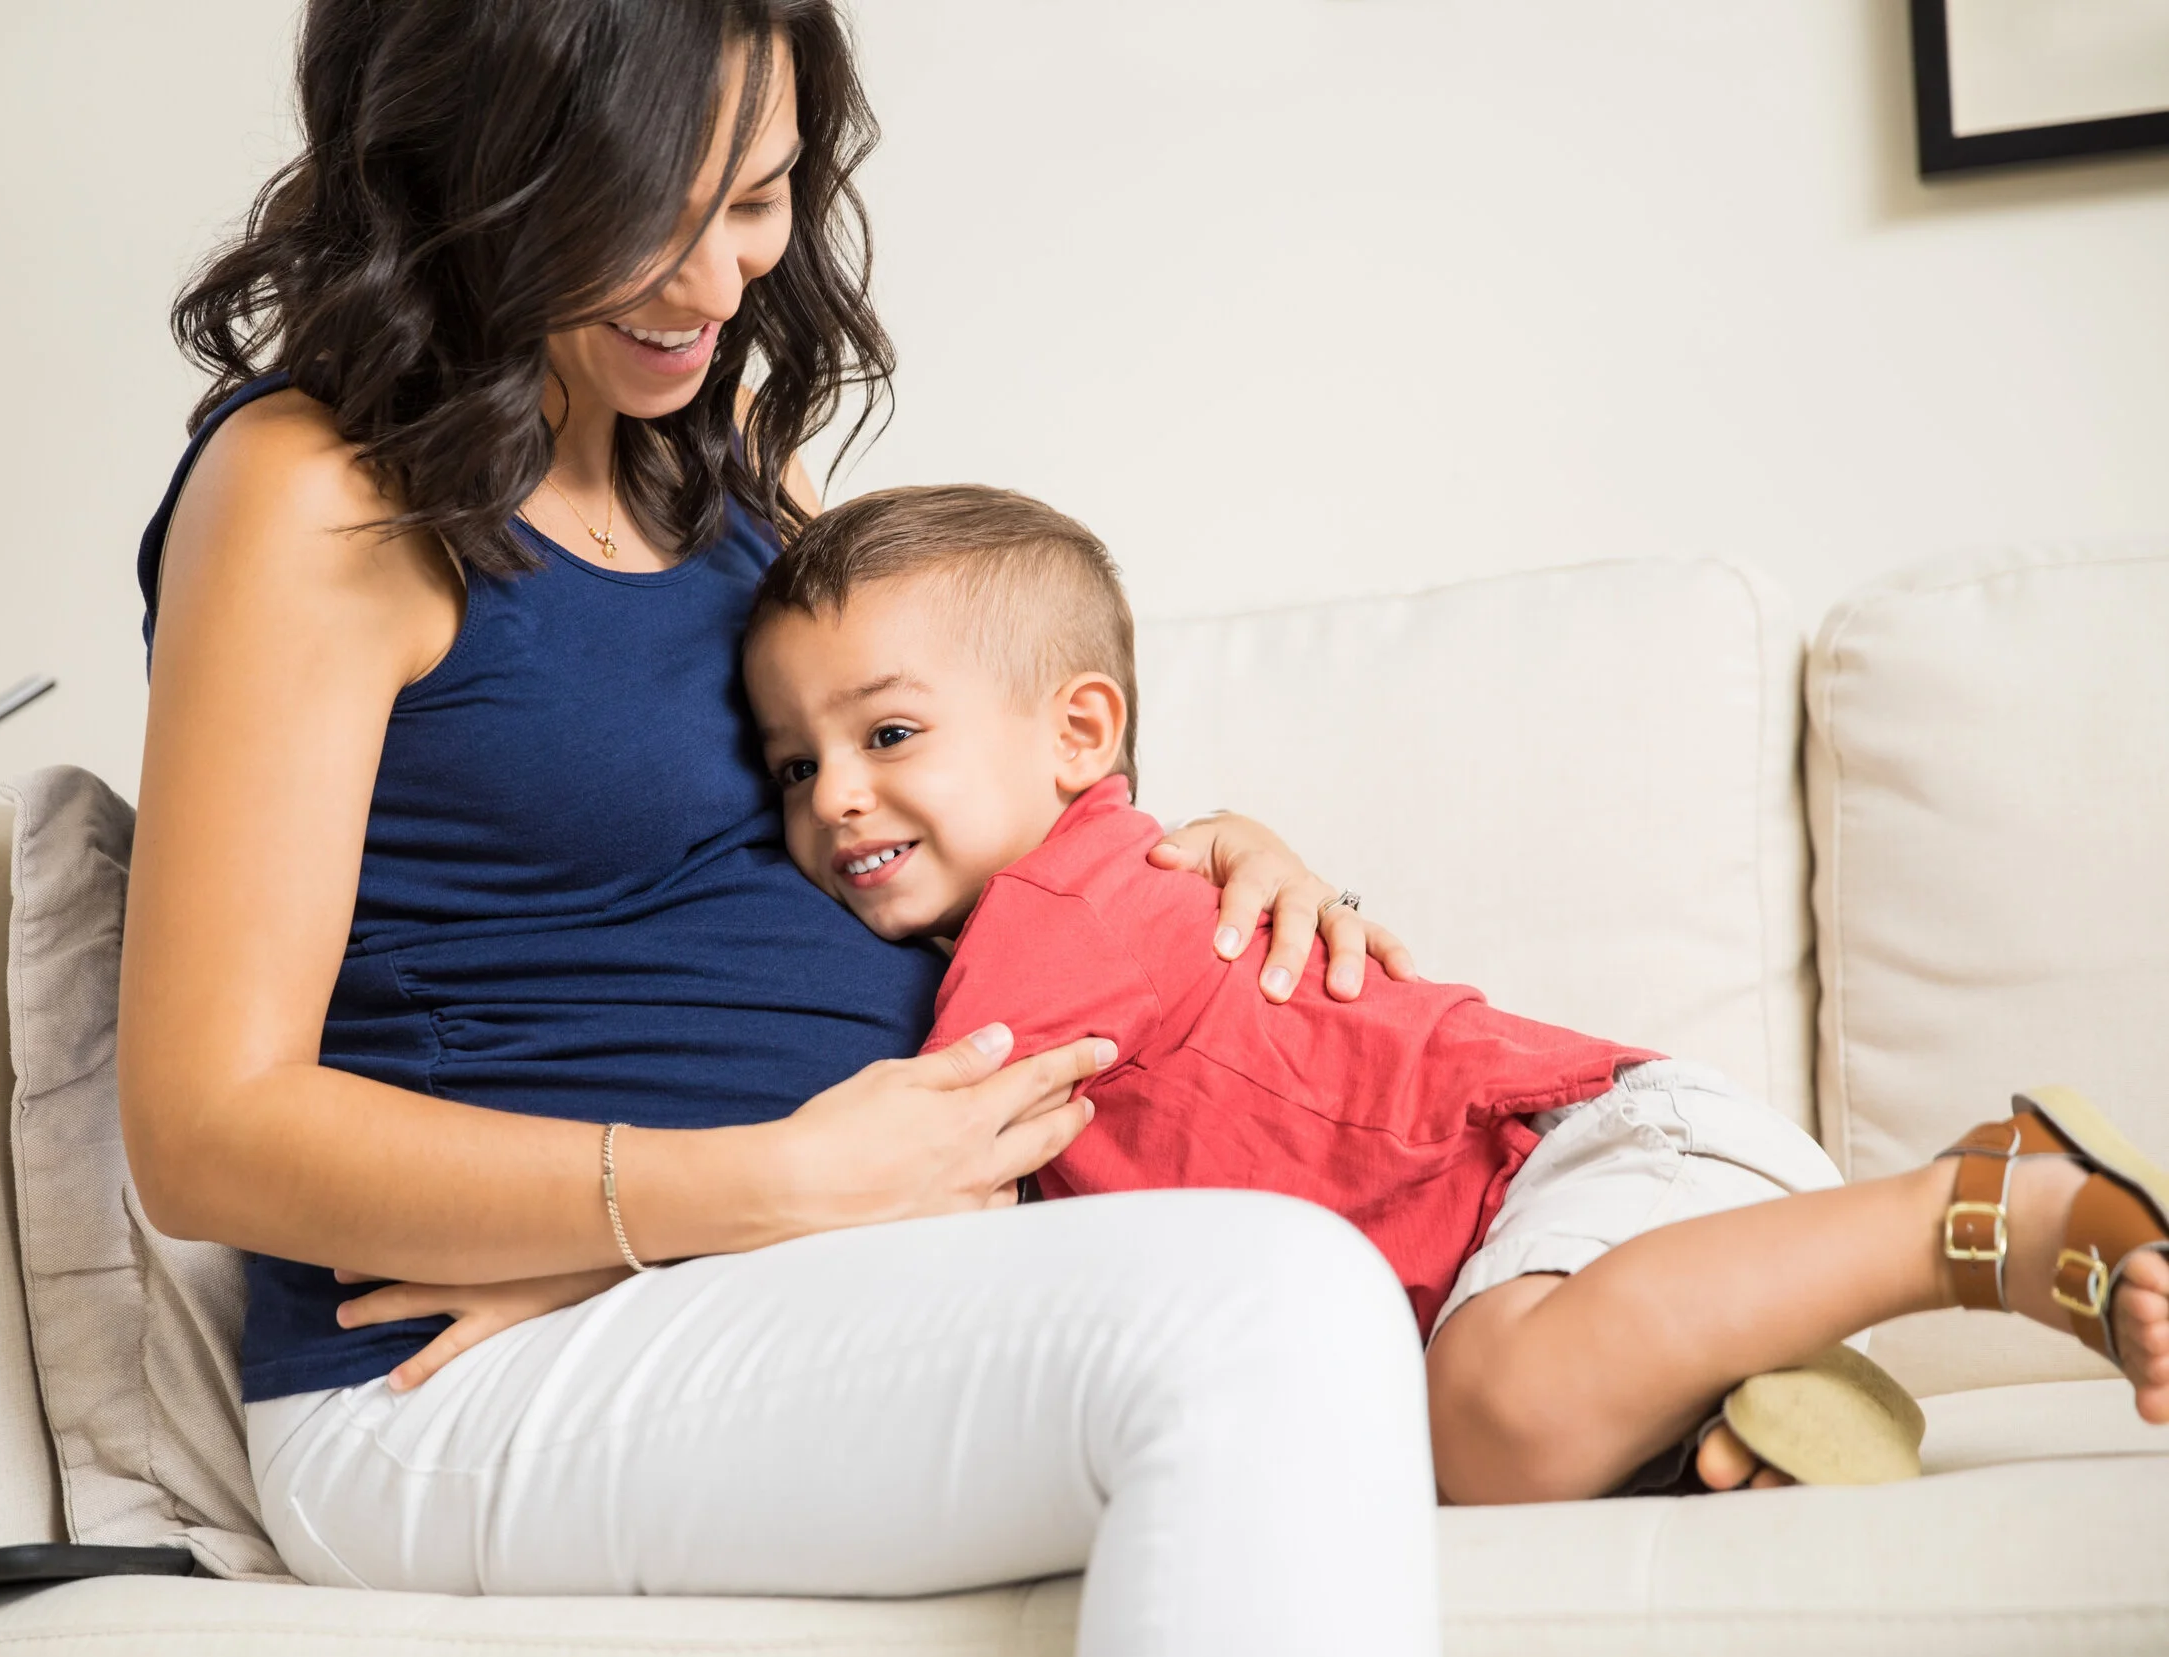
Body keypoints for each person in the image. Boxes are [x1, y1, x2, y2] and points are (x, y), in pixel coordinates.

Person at [118, 2, 1439, 1657]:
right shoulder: (317, 488)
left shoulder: (732, 476)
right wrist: (765, 1187)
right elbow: (204, 1128)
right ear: (468, 174)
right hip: (446, 1378)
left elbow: (948, 805)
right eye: (635, 218)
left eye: (755, 201)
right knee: (1268, 1308)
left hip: (777, 1270)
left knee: (1416, 1250)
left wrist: (1192, 844)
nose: (713, 285)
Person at [717, 481, 2169, 1505]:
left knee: (1486, 1420)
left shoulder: (1053, 918)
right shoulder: (1095, 889)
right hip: (1609, 1243)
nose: (833, 798)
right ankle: (1747, 1410)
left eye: (888, 731)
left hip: (1594, 1160)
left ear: (1081, 729)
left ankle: (1982, 1202)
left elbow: (904, 1188)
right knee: (1500, 1443)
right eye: (792, 765)